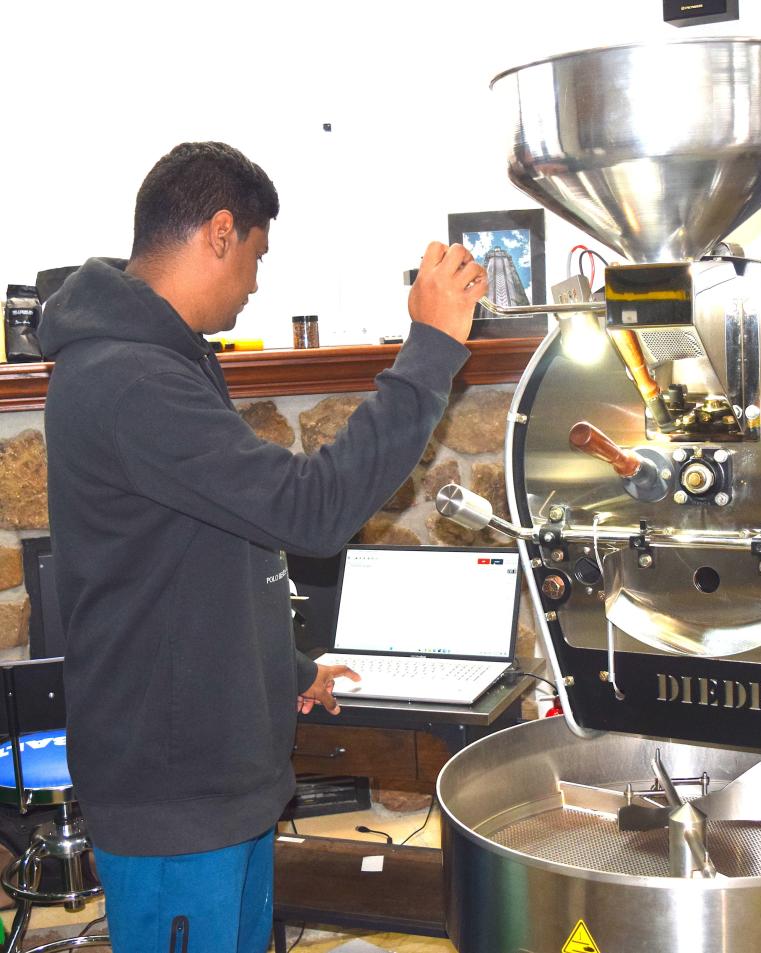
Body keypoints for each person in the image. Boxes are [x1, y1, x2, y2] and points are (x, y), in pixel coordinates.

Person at [37, 141, 487, 953]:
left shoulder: (164, 362)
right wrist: (429, 351)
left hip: (217, 786)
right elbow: (309, 511)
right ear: (218, 231)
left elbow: (203, 553)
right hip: (176, 801)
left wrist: (288, 671)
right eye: (254, 256)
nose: (253, 283)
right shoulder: (131, 379)